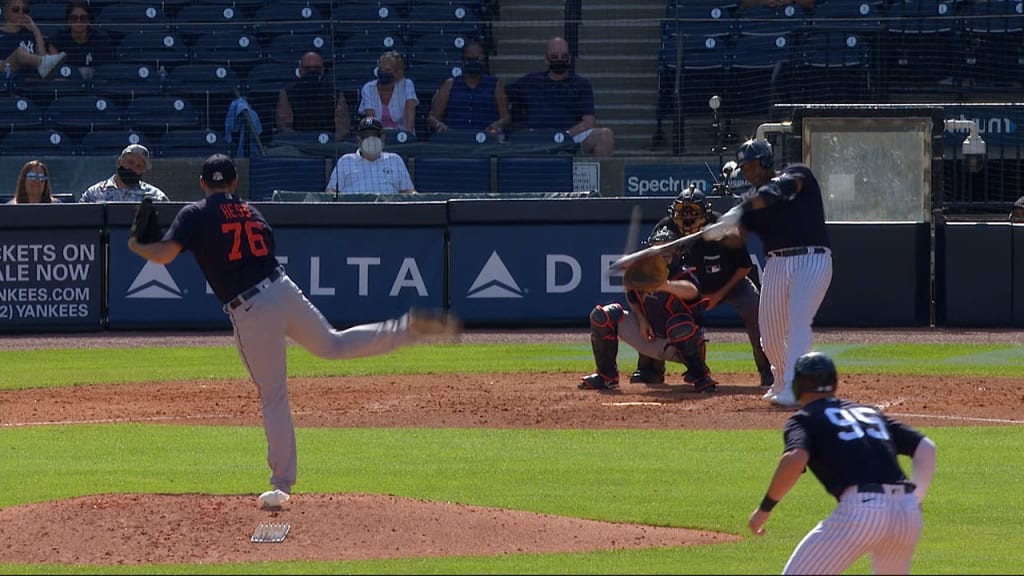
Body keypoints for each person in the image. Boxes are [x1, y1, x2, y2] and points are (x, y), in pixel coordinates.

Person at [126, 154, 459, 509]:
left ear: (203, 184)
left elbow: (164, 255)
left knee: (273, 395)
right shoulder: (253, 212)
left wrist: (136, 245)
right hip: (282, 288)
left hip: (251, 307)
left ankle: (282, 482)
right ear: (235, 183)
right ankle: (407, 327)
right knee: (334, 343)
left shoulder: (196, 212)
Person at [748, 351, 936, 575]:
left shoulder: (804, 418)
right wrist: (915, 498)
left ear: (797, 384)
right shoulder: (869, 412)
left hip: (862, 512)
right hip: (906, 515)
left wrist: (765, 508)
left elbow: (795, 459)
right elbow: (926, 447)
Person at [703, 138, 832, 407]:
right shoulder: (751, 204)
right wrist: (717, 232)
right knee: (769, 334)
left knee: (798, 321)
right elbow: (738, 240)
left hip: (812, 258)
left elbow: (775, 192)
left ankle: (797, 387)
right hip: (776, 263)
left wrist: (739, 209)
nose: (748, 172)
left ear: (766, 161)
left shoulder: (798, 175)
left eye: (752, 165)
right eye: (745, 168)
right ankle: (782, 380)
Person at [630, 187, 774, 389]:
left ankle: (767, 369)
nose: (687, 218)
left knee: (752, 305)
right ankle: (650, 369)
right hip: (686, 288)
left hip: (728, 284)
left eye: (693, 213)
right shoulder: (665, 228)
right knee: (653, 302)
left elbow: (744, 267)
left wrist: (717, 295)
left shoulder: (722, 226)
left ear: (705, 213)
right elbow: (653, 266)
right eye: (682, 213)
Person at [579, 227, 716, 393]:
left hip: (679, 346)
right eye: (658, 247)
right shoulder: (642, 274)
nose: (663, 251)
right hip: (650, 338)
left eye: (668, 247)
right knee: (603, 315)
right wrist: (641, 319)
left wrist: (664, 285)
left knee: (679, 327)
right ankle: (606, 376)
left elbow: (692, 291)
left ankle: (700, 376)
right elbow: (632, 297)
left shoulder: (682, 274)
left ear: (676, 251)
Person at [506, 36, 615, 157]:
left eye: (564, 56)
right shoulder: (531, 81)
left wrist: (563, 136)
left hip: (569, 139)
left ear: (569, 59)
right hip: (535, 140)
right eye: (554, 57)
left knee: (604, 135)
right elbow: (502, 94)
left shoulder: (581, 85)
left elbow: (589, 122)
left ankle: (603, 176)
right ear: (546, 59)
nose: (559, 60)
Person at [427, 40, 510, 137]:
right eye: (469, 59)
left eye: (477, 58)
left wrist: (497, 125)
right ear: (463, 60)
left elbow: (506, 117)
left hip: (484, 139)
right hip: (455, 139)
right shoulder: (450, 84)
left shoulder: (495, 84)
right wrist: (440, 126)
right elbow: (432, 117)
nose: (473, 62)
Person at [325, 117, 416, 195]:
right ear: (358, 140)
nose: (371, 139)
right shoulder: (345, 161)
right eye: (366, 136)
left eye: (375, 135)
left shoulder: (395, 160)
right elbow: (331, 191)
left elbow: (408, 192)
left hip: (387, 211)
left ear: (382, 138)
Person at [275, 51, 351, 140]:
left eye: (316, 68)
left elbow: (343, 127)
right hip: (298, 146)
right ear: (300, 70)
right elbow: (284, 125)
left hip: (329, 145)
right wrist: (302, 141)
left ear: (322, 70)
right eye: (307, 68)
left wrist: (330, 141)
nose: (312, 71)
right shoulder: (287, 93)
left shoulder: (336, 94)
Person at [47, 0, 114, 81]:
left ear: (89, 21)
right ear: (68, 21)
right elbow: (56, 72)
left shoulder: (101, 39)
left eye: (83, 18)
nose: (78, 21)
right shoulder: (58, 40)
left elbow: (103, 74)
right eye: (74, 18)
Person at [79, 144, 169, 203]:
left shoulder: (156, 197)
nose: (133, 168)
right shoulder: (94, 194)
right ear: (119, 162)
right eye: (130, 162)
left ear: (143, 170)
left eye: (139, 166)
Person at [0, 0, 66, 80]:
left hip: (32, 79)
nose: (21, 13)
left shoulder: (29, 33)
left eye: (25, 10)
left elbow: (45, 62)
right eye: (15, 9)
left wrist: (36, 31)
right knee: (20, 52)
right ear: (6, 13)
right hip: (9, 74)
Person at [358, 50, 418, 133]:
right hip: (377, 136)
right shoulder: (368, 88)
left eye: (387, 70)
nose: (383, 72)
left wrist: (408, 137)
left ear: (397, 72)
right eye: (380, 68)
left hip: (402, 136)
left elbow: (410, 119)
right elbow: (371, 120)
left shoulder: (407, 85)